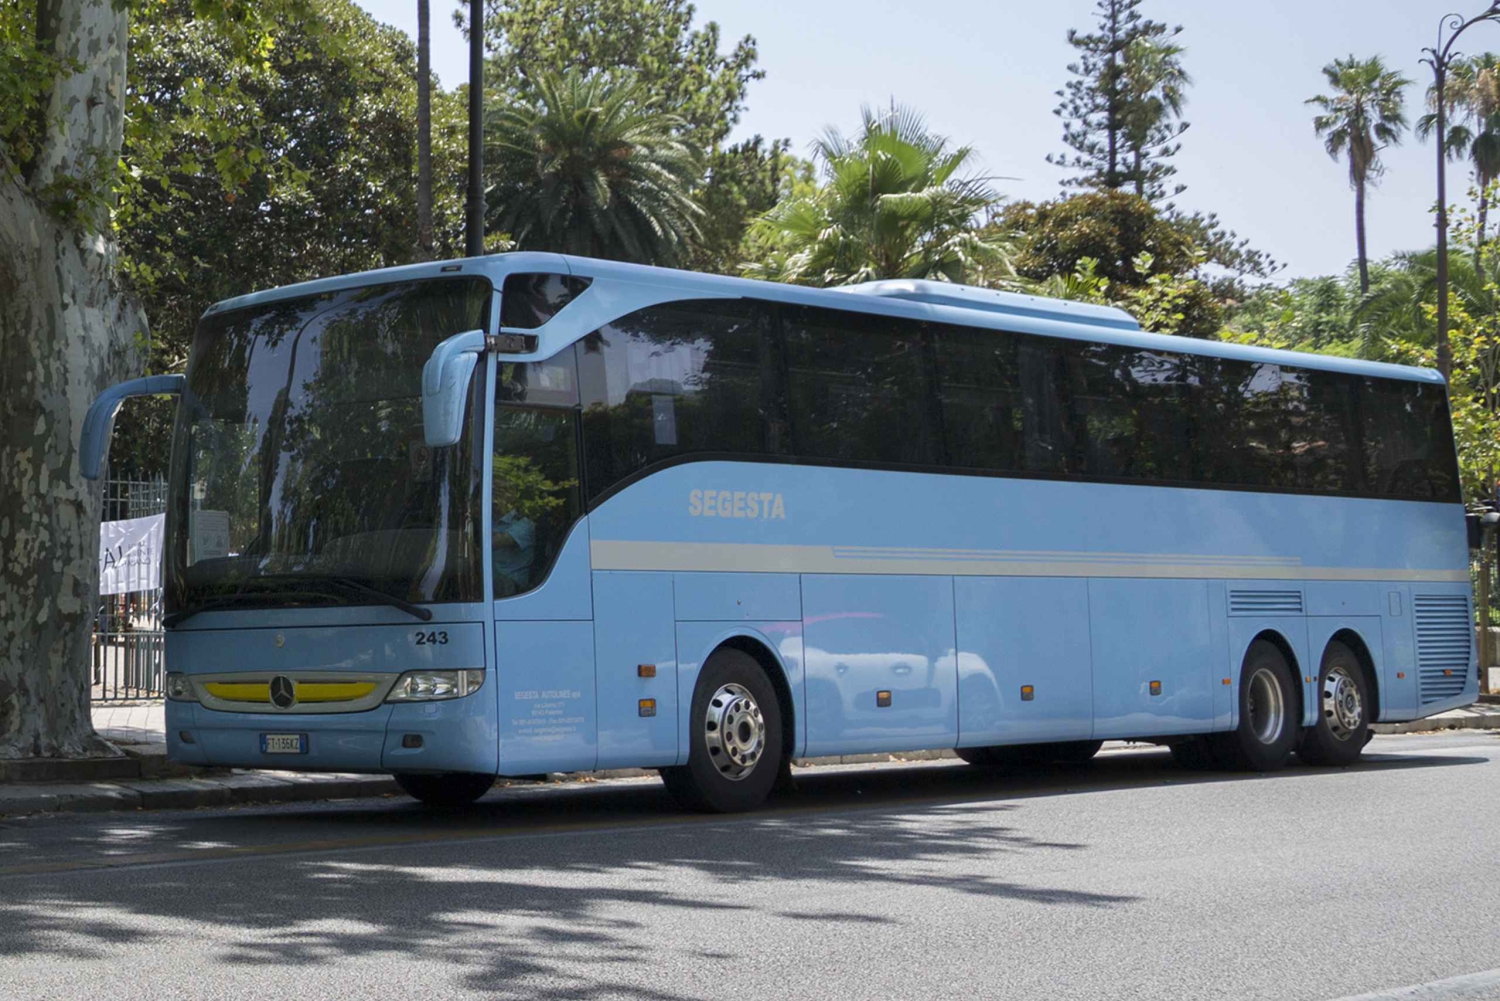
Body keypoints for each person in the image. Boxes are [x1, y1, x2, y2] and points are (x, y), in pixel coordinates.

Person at [492, 481, 536, 597]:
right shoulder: (488, 521)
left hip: (512, 587)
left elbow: (493, 543)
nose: (495, 496)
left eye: (500, 492)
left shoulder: (524, 524)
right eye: (493, 491)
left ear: (512, 497)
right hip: (490, 580)